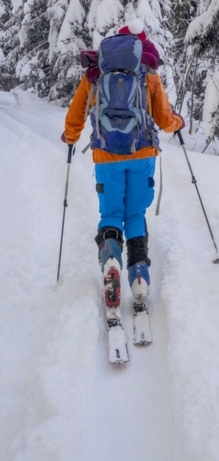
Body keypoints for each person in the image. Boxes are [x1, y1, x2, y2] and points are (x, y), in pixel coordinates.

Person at [62, 19, 184, 308]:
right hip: (142, 156)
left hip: (106, 157)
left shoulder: (94, 75)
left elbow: (76, 113)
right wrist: (179, 121)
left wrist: (70, 137)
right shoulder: (149, 76)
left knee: (111, 213)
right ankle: (139, 276)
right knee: (135, 214)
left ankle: (111, 261)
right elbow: (166, 122)